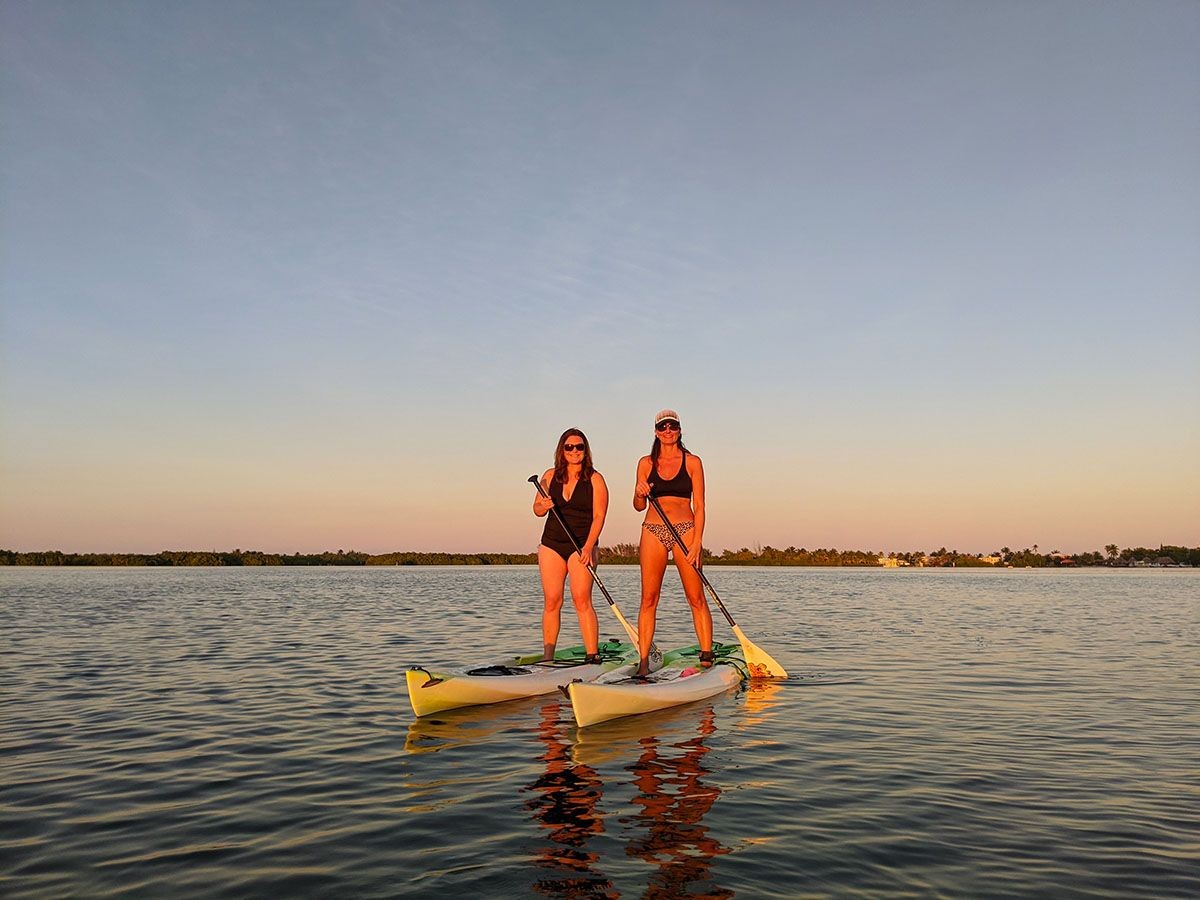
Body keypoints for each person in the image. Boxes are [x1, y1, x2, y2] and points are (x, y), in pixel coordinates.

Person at [632, 409, 712, 677]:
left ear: (679, 430)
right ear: (656, 432)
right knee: (649, 598)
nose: (668, 431)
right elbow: (637, 505)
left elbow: (699, 505)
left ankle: (706, 656)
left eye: (673, 427)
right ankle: (643, 662)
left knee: (695, 596)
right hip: (653, 529)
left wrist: (698, 541)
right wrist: (639, 492)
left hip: (686, 530)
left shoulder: (693, 462)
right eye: (663, 427)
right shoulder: (645, 463)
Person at [533, 428, 609, 662]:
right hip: (552, 544)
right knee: (552, 600)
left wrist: (588, 547)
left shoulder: (595, 479)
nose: (574, 451)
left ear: (585, 451)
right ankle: (547, 658)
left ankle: (591, 656)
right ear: (561, 450)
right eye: (569, 447)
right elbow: (536, 509)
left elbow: (599, 516)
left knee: (581, 599)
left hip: (581, 546)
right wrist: (542, 506)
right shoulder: (548, 475)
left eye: (579, 447)